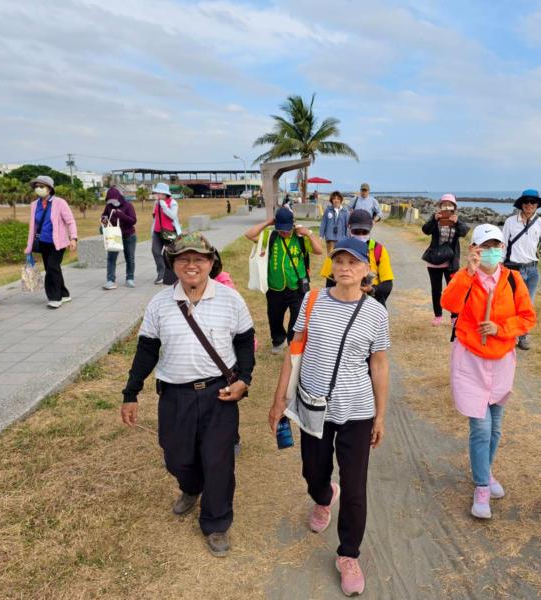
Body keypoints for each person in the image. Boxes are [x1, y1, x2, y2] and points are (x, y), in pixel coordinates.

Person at [121, 233, 255, 558]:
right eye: (184, 259)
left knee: (219, 461)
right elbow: (147, 350)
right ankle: (191, 487)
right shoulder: (159, 303)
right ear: (173, 264)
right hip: (175, 396)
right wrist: (131, 392)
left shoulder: (230, 299)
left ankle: (217, 522)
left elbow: (244, 341)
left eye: (199, 259)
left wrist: (245, 379)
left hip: (218, 394)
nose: (191, 265)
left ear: (211, 263)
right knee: (176, 457)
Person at [268, 237, 390, 597]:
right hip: (314, 405)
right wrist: (279, 401)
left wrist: (380, 416)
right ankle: (323, 497)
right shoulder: (312, 300)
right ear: (331, 266)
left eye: (353, 262)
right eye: (338, 261)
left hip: (357, 410)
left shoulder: (376, 313)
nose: (344, 268)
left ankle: (348, 555)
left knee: (355, 488)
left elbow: (379, 365)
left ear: (366, 270)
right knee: (313, 472)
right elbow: (294, 350)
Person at [441, 224, 536, 520]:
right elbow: (449, 304)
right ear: (475, 249)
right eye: (486, 246)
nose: (492, 251)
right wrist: (467, 273)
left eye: (497, 245)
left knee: (495, 427)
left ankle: (485, 470)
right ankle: (482, 485)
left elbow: (527, 317)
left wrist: (501, 328)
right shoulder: (465, 277)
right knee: (480, 427)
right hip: (470, 358)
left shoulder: (512, 280)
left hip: (502, 359)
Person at [244, 208, 323, 354]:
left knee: (298, 317)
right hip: (275, 287)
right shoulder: (271, 236)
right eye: (281, 229)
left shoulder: (300, 238)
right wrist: (268, 222)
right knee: (274, 317)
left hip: (296, 287)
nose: (284, 233)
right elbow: (249, 235)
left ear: (293, 224)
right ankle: (278, 340)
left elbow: (319, 250)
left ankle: (294, 343)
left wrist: (309, 233)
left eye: (287, 229)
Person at [501, 189, 541, 350]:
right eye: (526, 202)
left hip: (532, 270)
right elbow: (502, 246)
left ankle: (523, 336)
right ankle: (508, 334)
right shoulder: (510, 221)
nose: (529, 205)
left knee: (527, 306)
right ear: (521, 204)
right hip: (513, 269)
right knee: (509, 304)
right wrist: (498, 267)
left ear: (537, 205)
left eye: (533, 202)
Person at [23, 175, 78, 309]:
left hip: (58, 243)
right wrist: (29, 246)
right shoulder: (34, 205)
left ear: (49, 189)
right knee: (52, 268)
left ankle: (54, 298)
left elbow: (70, 221)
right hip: (43, 242)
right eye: (36, 187)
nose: (38, 189)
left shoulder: (60, 203)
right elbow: (33, 227)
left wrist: (73, 238)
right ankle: (64, 294)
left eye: (41, 186)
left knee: (52, 268)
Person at [319, 209, 394, 306]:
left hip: (370, 304)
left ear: (371, 228)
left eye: (364, 232)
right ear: (349, 227)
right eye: (356, 231)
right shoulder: (338, 249)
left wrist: (371, 290)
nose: (361, 235)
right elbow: (330, 282)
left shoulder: (378, 250)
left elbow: (387, 284)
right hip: (343, 304)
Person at [422, 193, 469, 325]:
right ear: (440, 206)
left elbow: (465, 232)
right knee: (436, 290)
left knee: (453, 290)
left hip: (451, 262)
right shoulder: (435, 218)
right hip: (434, 261)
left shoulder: (456, 219)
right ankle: (438, 315)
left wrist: (457, 221)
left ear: (454, 207)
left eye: (450, 204)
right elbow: (425, 230)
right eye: (444, 204)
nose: (447, 207)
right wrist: (433, 220)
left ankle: (455, 316)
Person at [101, 187, 138, 289]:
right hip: (114, 236)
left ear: (119, 198)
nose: (112, 203)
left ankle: (130, 279)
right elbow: (104, 215)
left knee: (130, 258)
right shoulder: (108, 206)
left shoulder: (128, 205)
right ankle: (110, 280)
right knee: (111, 258)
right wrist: (104, 219)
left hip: (129, 235)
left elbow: (133, 220)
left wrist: (121, 215)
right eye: (110, 201)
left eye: (114, 200)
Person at [151, 182, 182, 285]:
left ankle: (175, 274)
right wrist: (152, 231)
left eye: (159, 193)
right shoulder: (156, 203)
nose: (157, 195)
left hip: (169, 232)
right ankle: (161, 273)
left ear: (165, 194)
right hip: (157, 232)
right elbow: (155, 217)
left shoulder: (172, 202)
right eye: (157, 193)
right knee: (155, 251)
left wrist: (164, 207)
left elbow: (173, 216)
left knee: (171, 253)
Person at [320, 191, 350, 255]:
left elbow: (347, 225)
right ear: (331, 200)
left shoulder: (345, 211)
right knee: (330, 256)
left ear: (341, 200)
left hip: (341, 238)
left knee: (339, 256)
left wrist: (347, 237)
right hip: (330, 238)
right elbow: (323, 223)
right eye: (334, 199)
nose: (336, 200)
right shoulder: (328, 210)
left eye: (338, 199)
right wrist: (321, 235)